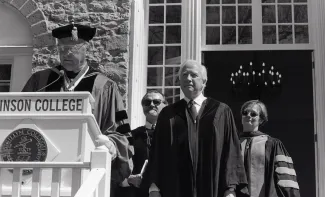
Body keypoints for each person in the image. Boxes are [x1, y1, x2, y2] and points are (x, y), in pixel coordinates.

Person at [22, 21, 133, 196]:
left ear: (86, 49)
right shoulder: (41, 81)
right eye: (62, 49)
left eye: (72, 49)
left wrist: (111, 144)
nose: (66, 54)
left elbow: (121, 132)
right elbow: (21, 118)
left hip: (85, 172)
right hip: (41, 172)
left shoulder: (104, 86)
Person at [147, 60, 249, 197]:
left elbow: (231, 150)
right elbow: (157, 151)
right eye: (184, 75)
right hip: (174, 188)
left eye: (193, 75)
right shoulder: (168, 113)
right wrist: (154, 186)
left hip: (213, 188)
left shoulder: (221, 111)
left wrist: (230, 188)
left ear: (204, 81)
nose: (188, 79)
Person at [239, 100, 300, 197]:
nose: (248, 115)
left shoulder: (273, 144)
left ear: (261, 120)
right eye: (245, 113)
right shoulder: (233, 144)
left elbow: (286, 180)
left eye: (253, 114)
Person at [119, 90, 168, 197]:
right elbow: (119, 170)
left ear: (165, 106)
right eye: (147, 102)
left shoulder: (175, 134)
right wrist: (129, 180)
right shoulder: (130, 136)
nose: (151, 105)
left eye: (156, 102)